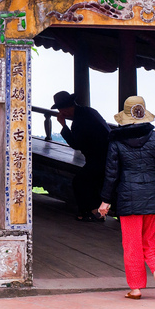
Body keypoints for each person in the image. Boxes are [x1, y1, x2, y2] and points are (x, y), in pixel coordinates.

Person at [98, 96, 155, 299]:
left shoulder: (116, 141)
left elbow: (111, 173)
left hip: (128, 197)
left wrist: (105, 200)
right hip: (154, 196)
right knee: (149, 240)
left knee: (131, 244)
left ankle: (136, 288)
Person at [52, 90, 110, 222]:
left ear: (64, 110)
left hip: (99, 158)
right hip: (107, 155)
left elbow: (75, 144)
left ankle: (89, 212)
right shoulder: (89, 111)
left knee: (80, 182)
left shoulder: (79, 122)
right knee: (91, 182)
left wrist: (63, 125)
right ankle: (97, 212)